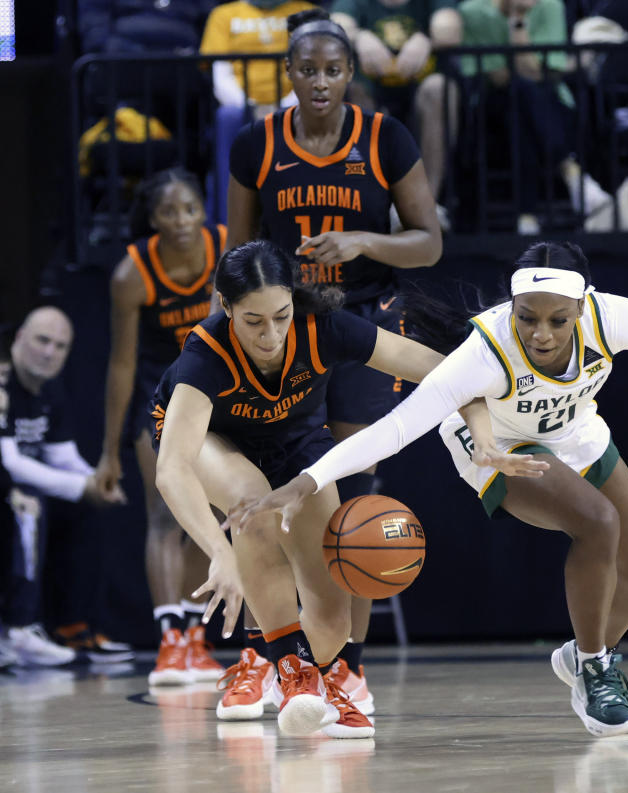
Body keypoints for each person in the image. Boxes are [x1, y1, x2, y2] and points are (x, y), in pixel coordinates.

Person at [223, 240, 628, 737]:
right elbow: (394, 429)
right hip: (497, 445)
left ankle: (583, 654)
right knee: (598, 523)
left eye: (558, 320)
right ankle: (597, 670)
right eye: (530, 318)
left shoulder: (614, 318)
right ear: (512, 310)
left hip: (576, 430)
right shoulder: (484, 349)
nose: (544, 333)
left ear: (583, 308)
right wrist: (306, 482)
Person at [152, 238, 494, 737]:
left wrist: (480, 424)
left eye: (280, 315)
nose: (270, 334)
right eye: (253, 321)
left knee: (333, 612)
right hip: (211, 438)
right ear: (225, 308)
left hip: (294, 439)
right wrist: (217, 552)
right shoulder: (205, 355)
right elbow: (171, 469)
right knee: (252, 503)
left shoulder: (324, 327)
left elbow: (440, 373)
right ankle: (288, 670)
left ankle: (306, 672)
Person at [225, 7, 442, 720]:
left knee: (348, 512)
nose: (320, 81)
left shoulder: (385, 136)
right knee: (281, 498)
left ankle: (346, 670)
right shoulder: (256, 144)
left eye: (333, 69)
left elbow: (427, 242)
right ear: (288, 74)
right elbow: (236, 257)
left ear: (351, 74)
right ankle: (278, 656)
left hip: (362, 326)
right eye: (307, 69)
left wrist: (360, 241)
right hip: (282, 335)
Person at [93, 168, 229, 686]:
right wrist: (110, 450)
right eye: (168, 212)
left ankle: (195, 638)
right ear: (152, 219)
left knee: (210, 519)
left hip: (215, 401)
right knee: (166, 518)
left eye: (189, 209)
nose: (180, 221)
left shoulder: (225, 248)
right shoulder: (133, 273)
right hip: (160, 399)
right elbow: (122, 365)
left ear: (204, 211)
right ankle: (170, 642)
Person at [0, 308, 129, 666]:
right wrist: (80, 486)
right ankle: (17, 628)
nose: (49, 352)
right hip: (9, 490)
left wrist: (97, 482)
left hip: (18, 488)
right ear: (20, 337)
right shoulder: (3, 380)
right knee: (28, 505)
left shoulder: (49, 388)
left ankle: (72, 626)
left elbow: (62, 456)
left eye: (60, 346)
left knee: (85, 508)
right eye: (42, 340)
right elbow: (9, 461)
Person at [457, 0, 612, 234]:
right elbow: (503, 77)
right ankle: (571, 172)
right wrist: (517, 21)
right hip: (493, 106)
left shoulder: (550, 6)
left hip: (550, 102)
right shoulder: (472, 11)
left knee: (523, 101)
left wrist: (518, 23)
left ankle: (526, 216)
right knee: (521, 93)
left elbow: (545, 73)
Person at [330, 0, 463, 226]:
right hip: (370, 91)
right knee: (351, 90)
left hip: (420, 90)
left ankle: (426, 205)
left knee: (439, 88)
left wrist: (426, 39)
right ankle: (374, 206)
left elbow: (450, 30)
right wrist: (360, 36)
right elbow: (336, 26)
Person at [199, 0, 319, 223]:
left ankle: (300, 221)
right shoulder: (223, 15)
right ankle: (229, 224)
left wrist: (288, 103)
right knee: (227, 117)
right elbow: (220, 70)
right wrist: (250, 106)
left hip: (297, 101)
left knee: (311, 115)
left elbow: (315, 66)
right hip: (239, 105)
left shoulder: (306, 12)